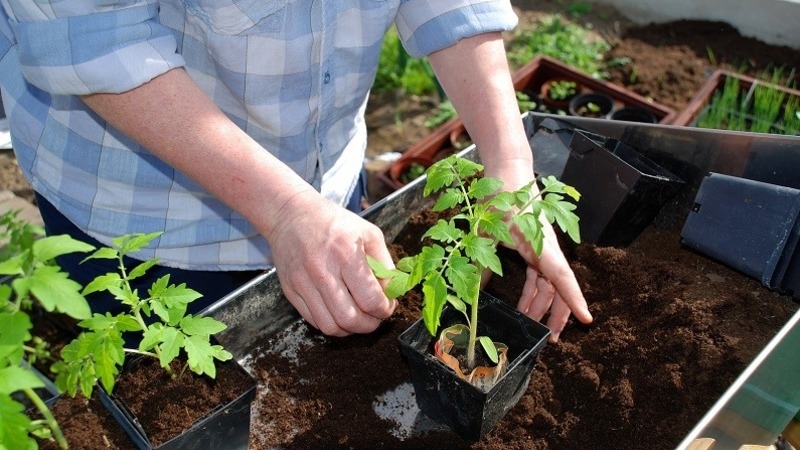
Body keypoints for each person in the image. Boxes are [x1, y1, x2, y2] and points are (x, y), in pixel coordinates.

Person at [0, 1, 592, 342]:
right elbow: (95, 41)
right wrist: (283, 210)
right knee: (159, 394)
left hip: (324, 185)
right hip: (140, 213)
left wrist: (510, 168)